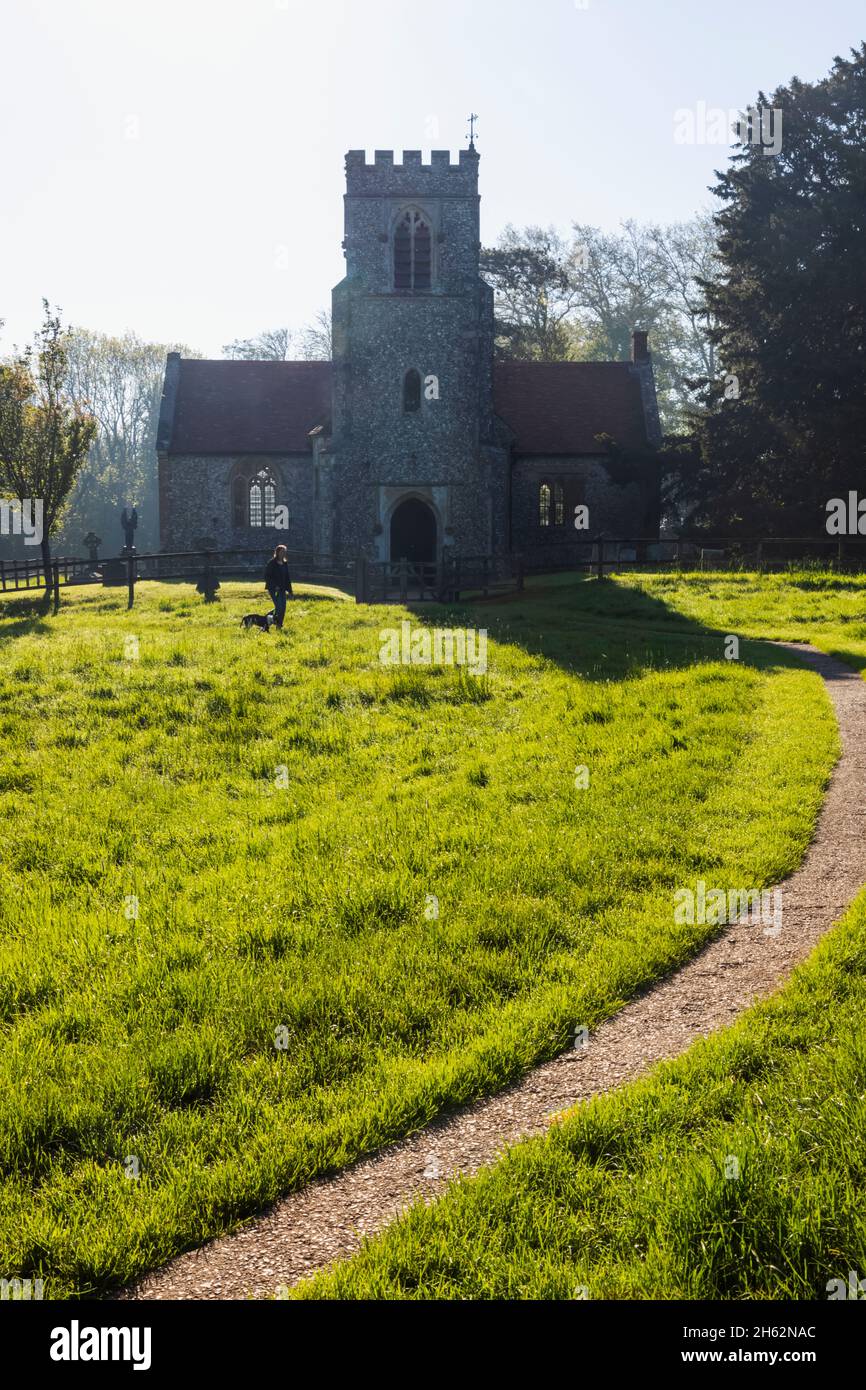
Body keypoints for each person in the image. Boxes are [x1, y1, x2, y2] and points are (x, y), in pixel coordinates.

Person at [264, 545, 293, 629]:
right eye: (282, 552)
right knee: (279, 608)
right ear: (277, 552)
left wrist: (290, 591)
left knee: (282, 608)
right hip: (273, 589)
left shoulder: (285, 563)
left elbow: (287, 578)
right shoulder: (272, 563)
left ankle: (279, 625)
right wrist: (274, 586)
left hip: (282, 589)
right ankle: (265, 619)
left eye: (284, 552)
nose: (283, 553)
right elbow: (267, 576)